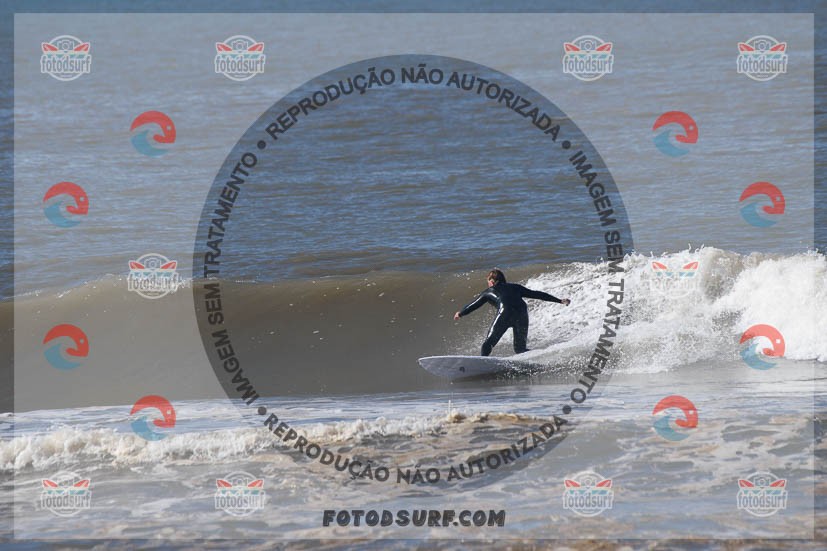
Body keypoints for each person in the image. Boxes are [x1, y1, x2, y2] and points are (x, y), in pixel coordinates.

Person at [453, 268, 570, 356]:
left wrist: (460, 313)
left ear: (492, 281)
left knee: (488, 343)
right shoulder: (516, 287)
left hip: (506, 313)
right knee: (520, 349)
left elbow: (474, 305)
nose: (488, 284)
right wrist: (559, 300)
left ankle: (482, 363)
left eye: (488, 282)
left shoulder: (489, 291)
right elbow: (537, 294)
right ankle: (540, 357)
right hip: (522, 313)